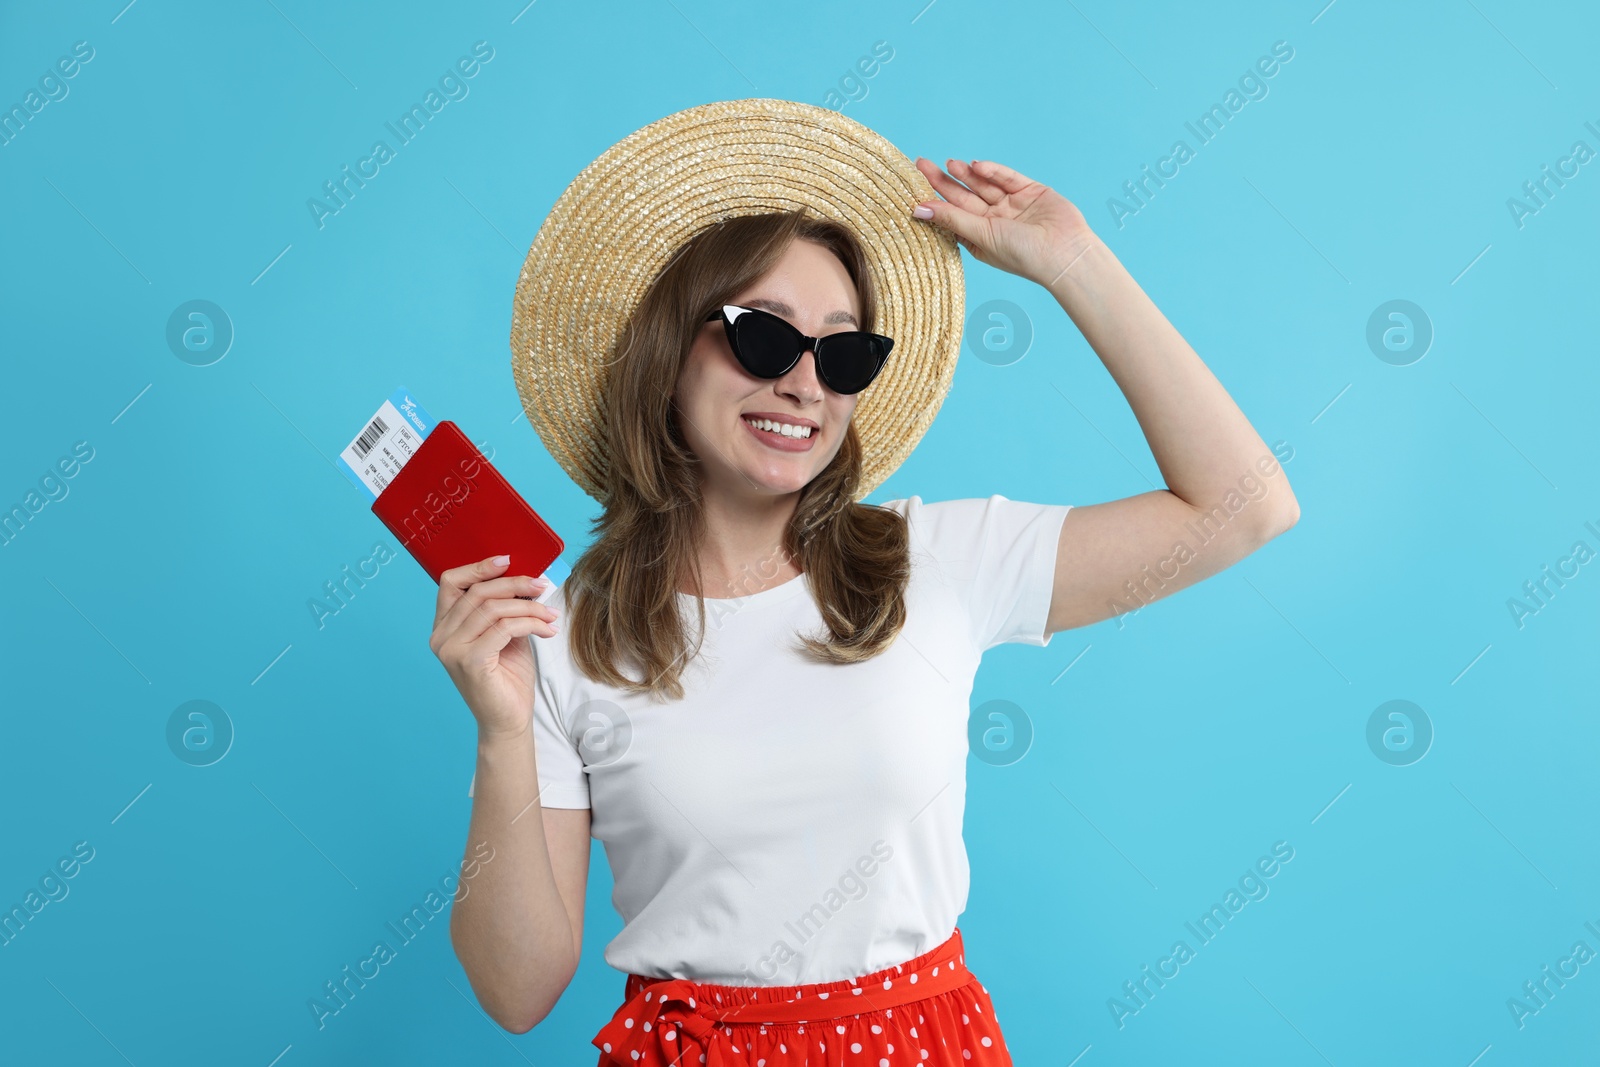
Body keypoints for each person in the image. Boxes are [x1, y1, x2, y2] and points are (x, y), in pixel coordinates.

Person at [432, 99, 1299, 1066]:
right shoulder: (566, 638)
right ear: (669, 351)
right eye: (763, 336)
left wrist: (1072, 263)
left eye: (842, 352)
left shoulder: (942, 562)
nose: (805, 382)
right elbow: (517, 992)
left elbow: (1245, 504)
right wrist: (503, 729)